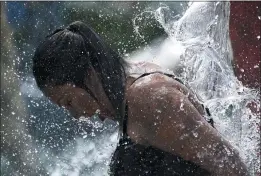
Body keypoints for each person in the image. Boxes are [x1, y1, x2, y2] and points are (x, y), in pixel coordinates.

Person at [32, 21, 249, 176]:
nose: (77, 115)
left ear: (89, 74)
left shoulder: (149, 98)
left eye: (69, 102)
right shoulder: (129, 94)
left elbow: (233, 167)